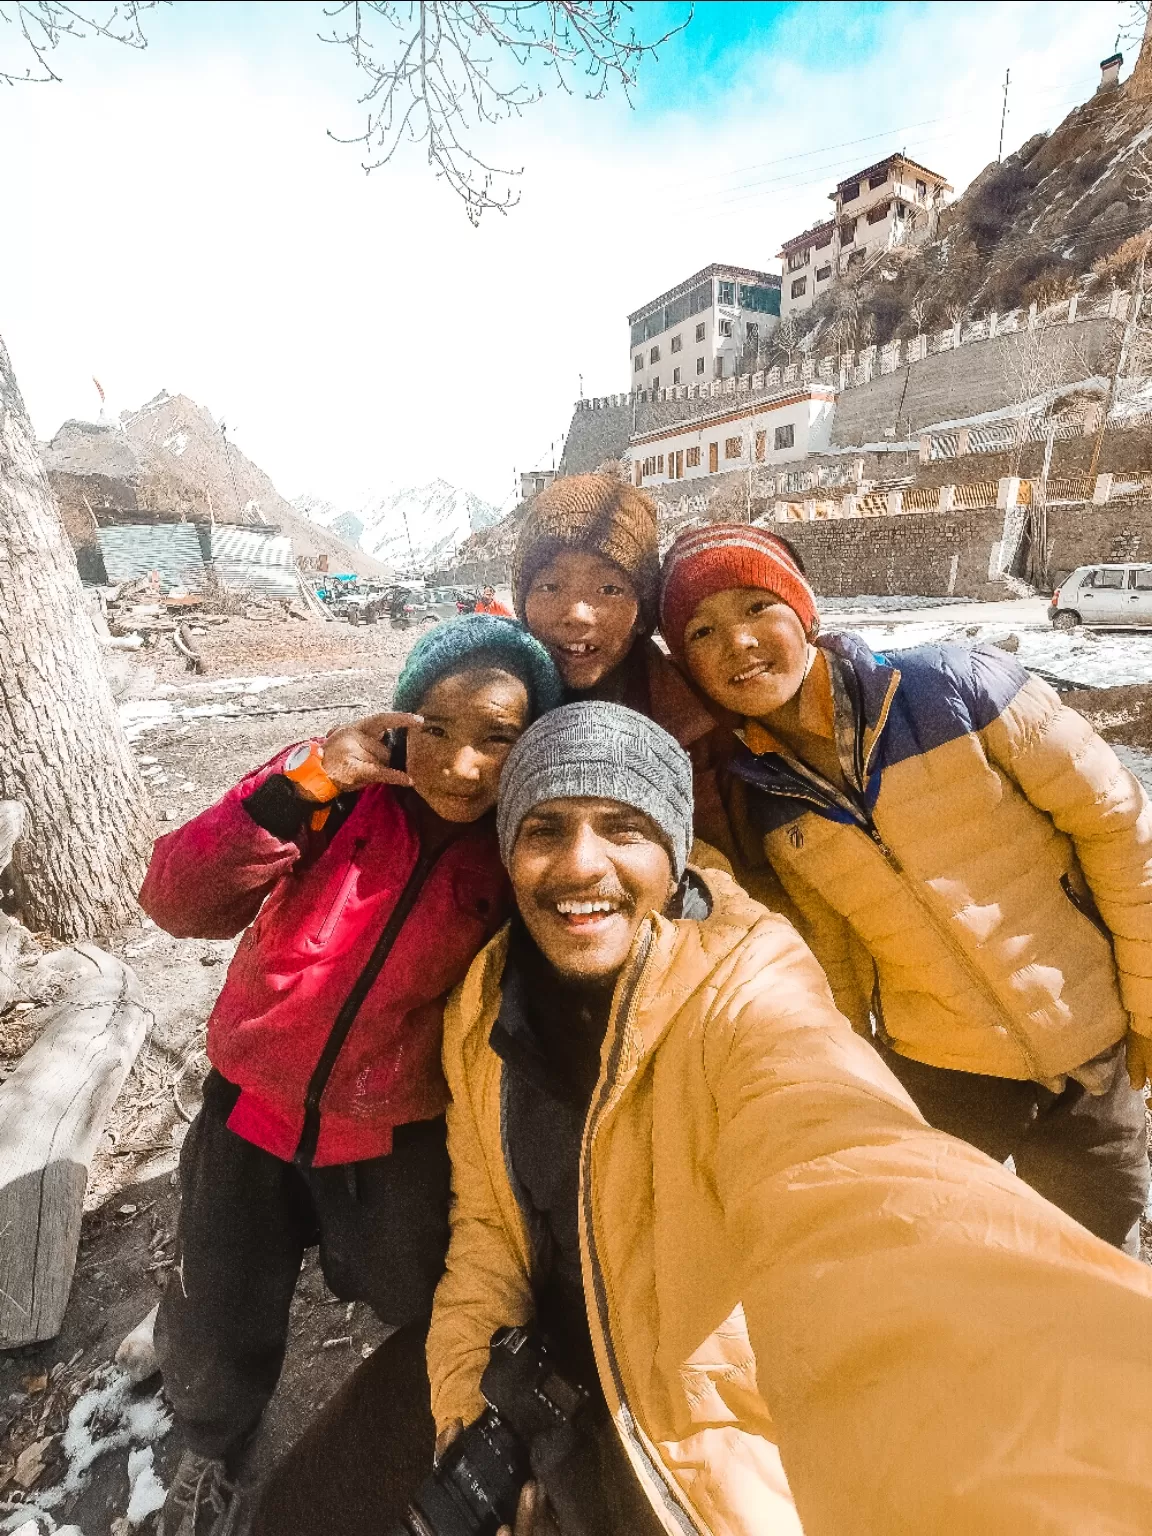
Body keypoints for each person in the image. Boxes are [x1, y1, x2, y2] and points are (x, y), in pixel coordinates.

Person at [254, 704, 1152, 1536]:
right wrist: (467, 1404)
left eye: (625, 828)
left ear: (678, 853)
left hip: (685, 1415)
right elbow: (489, 1225)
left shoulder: (742, 986)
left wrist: (1063, 1413)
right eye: (544, 829)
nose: (579, 864)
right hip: (535, 1380)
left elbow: (851, 1166)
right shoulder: (486, 1002)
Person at [138, 615, 562, 1536]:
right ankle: (214, 1449)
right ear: (400, 720)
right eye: (437, 730)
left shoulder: (520, 847)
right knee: (215, 1316)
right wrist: (305, 780)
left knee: (419, 1300)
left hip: (395, 1127)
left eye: (500, 739)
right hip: (248, 1108)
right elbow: (175, 898)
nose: (461, 766)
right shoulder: (330, 795)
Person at [659, 521, 1152, 1252]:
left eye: (757, 608)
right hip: (942, 1071)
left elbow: (1119, 830)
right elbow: (836, 953)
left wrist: (1145, 1010)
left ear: (805, 612)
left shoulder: (958, 688)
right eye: (701, 631)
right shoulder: (759, 795)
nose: (738, 643)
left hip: (1091, 1047)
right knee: (961, 1280)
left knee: (1103, 1279)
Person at [512, 472, 755, 885]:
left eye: (609, 589)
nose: (577, 613)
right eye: (550, 586)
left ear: (643, 612)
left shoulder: (707, 719)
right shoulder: (495, 719)